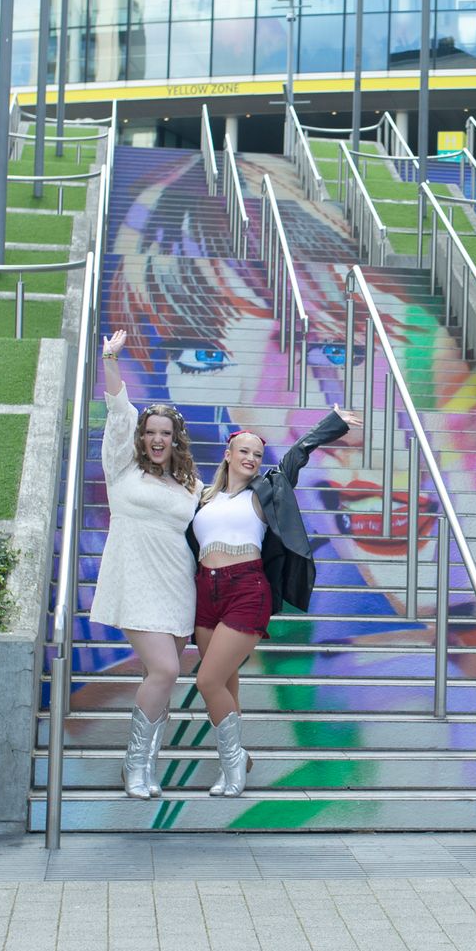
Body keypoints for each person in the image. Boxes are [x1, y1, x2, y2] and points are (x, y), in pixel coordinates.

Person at [190, 403, 363, 797]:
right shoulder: (203, 496)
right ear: (228, 454)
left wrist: (330, 426)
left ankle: (233, 766)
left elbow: (294, 457)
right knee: (226, 685)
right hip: (205, 592)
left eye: (256, 453)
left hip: (246, 589)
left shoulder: (265, 491)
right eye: (244, 451)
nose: (251, 458)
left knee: (207, 680)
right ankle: (237, 759)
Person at [92, 329, 202, 800]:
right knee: (164, 671)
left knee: (159, 676)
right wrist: (109, 359)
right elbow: (120, 410)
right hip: (135, 580)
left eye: (166, 433)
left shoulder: (191, 485)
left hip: (178, 585)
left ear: (176, 440)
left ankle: (146, 765)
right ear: (141, 438)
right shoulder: (122, 469)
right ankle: (136, 766)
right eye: (151, 433)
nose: (158, 439)